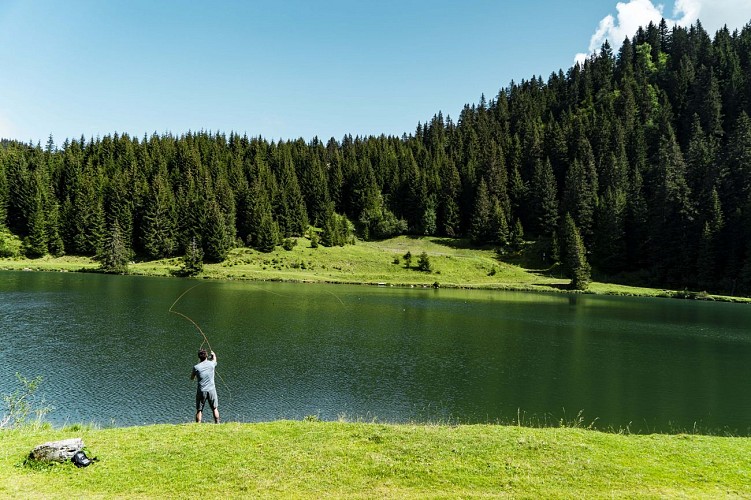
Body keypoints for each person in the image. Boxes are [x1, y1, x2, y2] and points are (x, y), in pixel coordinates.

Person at [191, 349, 220, 423]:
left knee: (199, 409)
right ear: (207, 356)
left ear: (199, 357)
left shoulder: (196, 367)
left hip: (201, 391)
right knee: (214, 408)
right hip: (211, 390)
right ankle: (217, 423)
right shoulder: (211, 364)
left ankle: (198, 425)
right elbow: (214, 360)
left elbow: (192, 378)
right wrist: (214, 355)